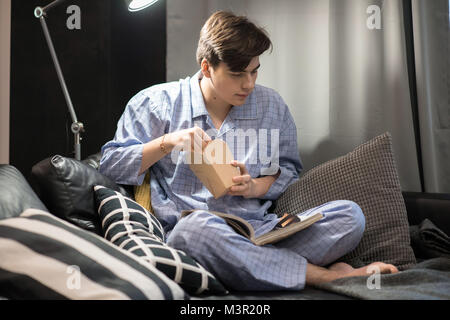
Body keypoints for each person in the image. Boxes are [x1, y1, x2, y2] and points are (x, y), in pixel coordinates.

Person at [99, 11, 398, 291]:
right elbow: (111, 165)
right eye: (238, 74)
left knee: (351, 216)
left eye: (255, 71)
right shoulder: (156, 104)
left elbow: (283, 168)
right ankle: (323, 276)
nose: (249, 84)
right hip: (197, 229)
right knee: (193, 233)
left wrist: (255, 186)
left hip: (263, 231)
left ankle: (250, 264)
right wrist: (168, 142)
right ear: (207, 67)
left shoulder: (270, 106)